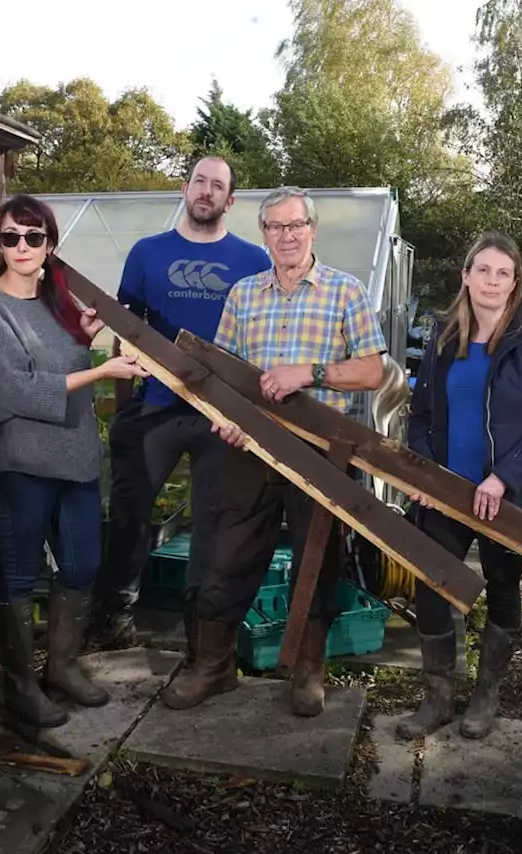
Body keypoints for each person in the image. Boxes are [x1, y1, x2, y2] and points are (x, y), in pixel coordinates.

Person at [160, 186, 388, 716]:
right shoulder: (243, 294)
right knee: (227, 552)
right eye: (276, 227)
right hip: (252, 451)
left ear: (312, 228)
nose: (286, 236)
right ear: (263, 234)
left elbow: (373, 371)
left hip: (321, 455)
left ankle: (308, 672)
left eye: (296, 225)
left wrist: (308, 374)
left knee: (317, 555)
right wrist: (232, 421)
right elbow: (220, 375)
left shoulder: (344, 291)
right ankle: (215, 667)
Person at [0, 194, 149, 728]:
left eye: (34, 236)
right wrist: (101, 370)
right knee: (21, 572)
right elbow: (17, 391)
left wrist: (86, 341)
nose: (22, 247)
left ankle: (62, 666)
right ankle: (20, 684)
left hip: (74, 456)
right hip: (18, 460)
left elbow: (59, 366)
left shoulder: (56, 301)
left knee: (83, 564)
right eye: (10, 237)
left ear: (50, 243)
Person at [88, 157, 271, 659]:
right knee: (130, 514)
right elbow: (127, 324)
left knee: (213, 526)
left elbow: (261, 336)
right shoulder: (148, 253)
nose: (206, 191)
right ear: (185, 189)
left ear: (230, 201)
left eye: (218, 185)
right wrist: (125, 380)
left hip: (221, 416)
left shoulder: (253, 260)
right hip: (158, 407)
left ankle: (202, 635)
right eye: (199, 181)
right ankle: (114, 619)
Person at [396, 232, 522, 742]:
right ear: (466, 277)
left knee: (502, 587)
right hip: (448, 492)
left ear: (515, 282)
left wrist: (503, 478)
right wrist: (427, 475)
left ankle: (486, 696)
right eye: (484, 271)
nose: (492, 281)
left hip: (507, 495)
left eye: (503, 273)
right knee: (430, 584)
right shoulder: (445, 333)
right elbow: (422, 414)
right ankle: (436, 699)